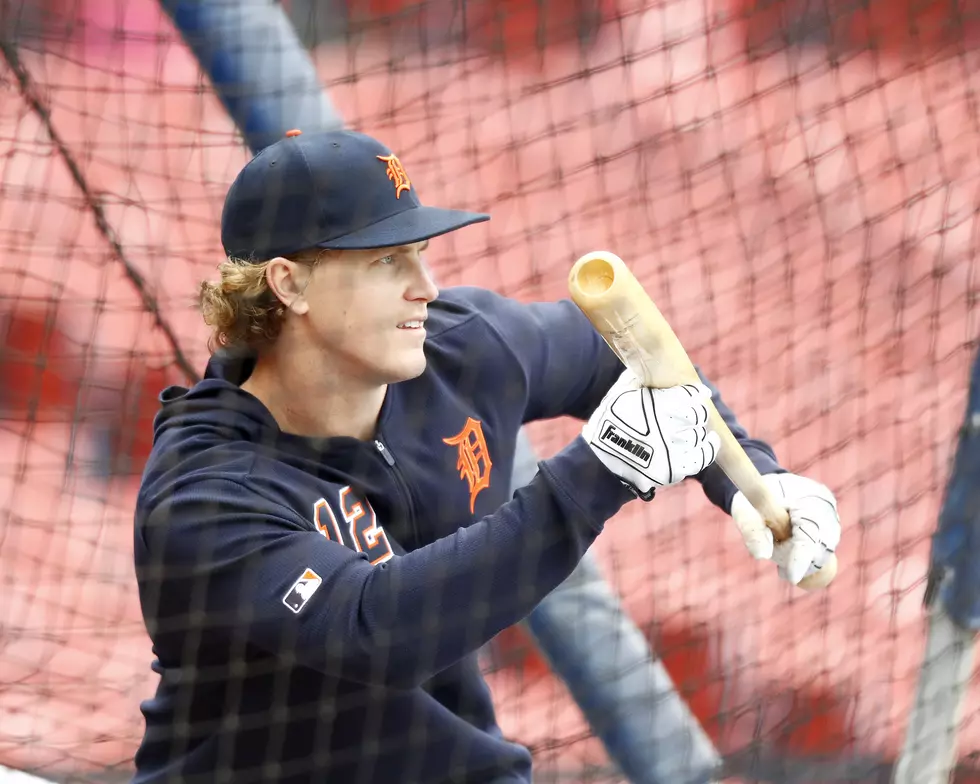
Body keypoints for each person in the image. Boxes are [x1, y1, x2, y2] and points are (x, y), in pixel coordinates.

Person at [131, 128, 840, 783]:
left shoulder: (462, 348)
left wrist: (748, 473)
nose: (426, 288)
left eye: (421, 254)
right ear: (289, 285)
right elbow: (375, 630)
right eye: (386, 261)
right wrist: (599, 472)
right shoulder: (203, 493)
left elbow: (616, 354)